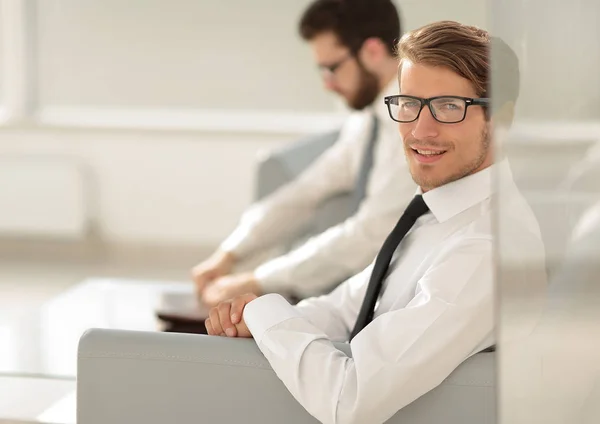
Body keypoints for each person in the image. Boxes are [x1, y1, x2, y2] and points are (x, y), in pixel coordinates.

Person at [205, 20, 547, 423]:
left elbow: (349, 400)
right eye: (409, 103)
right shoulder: (433, 215)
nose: (421, 130)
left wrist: (266, 317)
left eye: (449, 107)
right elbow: (345, 307)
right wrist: (255, 316)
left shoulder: (486, 251)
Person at [192, 0, 417, 307]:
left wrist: (257, 281)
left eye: (332, 68)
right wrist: (230, 253)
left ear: (373, 52)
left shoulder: (409, 122)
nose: (328, 84)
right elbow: (308, 191)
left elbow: (370, 234)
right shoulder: (368, 121)